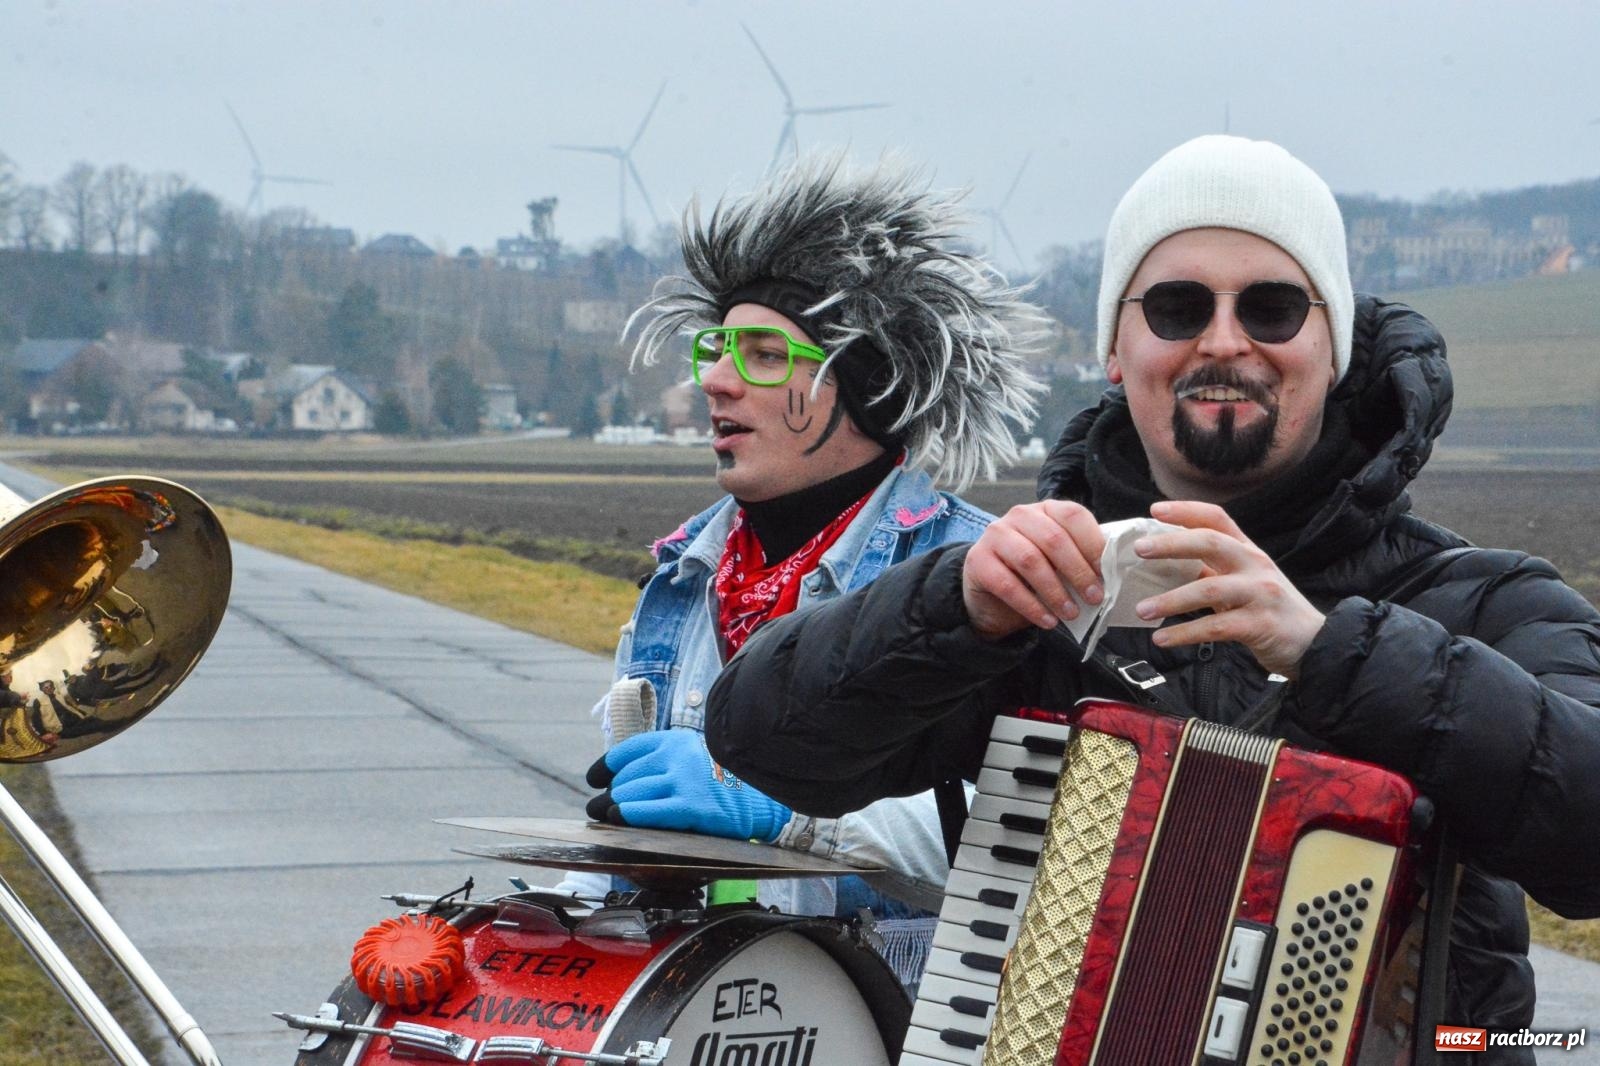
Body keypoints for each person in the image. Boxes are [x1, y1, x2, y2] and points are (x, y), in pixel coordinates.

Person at [706, 135, 1600, 1055]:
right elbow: (761, 739)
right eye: (1176, 307)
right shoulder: (1039, 602)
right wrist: (951, 608)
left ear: (1331, 347)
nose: (1223, 340)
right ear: (1114, 351)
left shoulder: (1480, 602)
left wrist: (1331, 650)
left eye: (1274, 306)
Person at [556, 153, 1049, 986]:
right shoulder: (679, 580)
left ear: (863, 386)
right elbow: (623, 843)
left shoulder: (982, 581)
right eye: (714, 349)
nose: (715, 380)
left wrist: (786, 811)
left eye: (761, 355)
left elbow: (1026, 842)